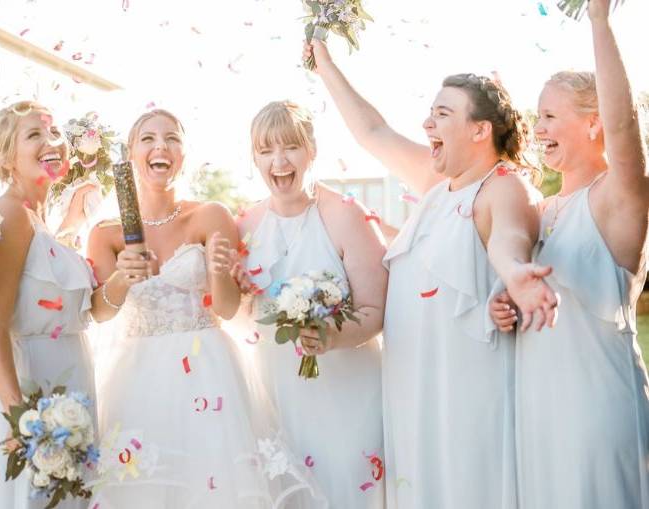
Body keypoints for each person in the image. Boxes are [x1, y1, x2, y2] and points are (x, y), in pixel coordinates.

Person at [304, 40, 558, 508]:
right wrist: (326, 67)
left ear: (480, 130)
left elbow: (508, 240)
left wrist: (518, 273)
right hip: (413, 386)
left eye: (442, 114)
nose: (427, 124)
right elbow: (373, 131)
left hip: (462, 389)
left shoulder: (503, 186)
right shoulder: (439, 184)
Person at [87, 109, 326, 508]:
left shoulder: (210, 215)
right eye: (148, 139)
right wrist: (119, 279)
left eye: (172, 138)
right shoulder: (106, 233)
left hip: (207, 370)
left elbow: (229, 309)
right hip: (136, 378)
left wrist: (217, 271)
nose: (161, 146)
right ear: (130, 154)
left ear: (183, 154)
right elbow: (99, 312)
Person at [490, 2, 649, 506]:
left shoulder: (618, 197)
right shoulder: (539, 211)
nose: (537, 130)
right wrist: (505, 307)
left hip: (596, 412)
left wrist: (599, 21)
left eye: (551, 117)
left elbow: (627, 133)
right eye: (537, 117)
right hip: (538, 412)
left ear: (594, 124)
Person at [234, 100, 387, 508]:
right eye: (266, 151)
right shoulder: (244, 225)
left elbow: (375, 311)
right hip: (277, 392)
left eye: (290, 148)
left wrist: (330, 336)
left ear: (311, 150)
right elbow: (236, 310)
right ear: (254, 158)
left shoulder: (345, 215)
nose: (279, 161)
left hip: (347, 391)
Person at [0, 101, 97, 509]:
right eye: (35, 135)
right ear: (7, 157)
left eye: (55, 132)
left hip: (66, 384)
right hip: (30, 390)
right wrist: (23, 422)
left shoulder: (39, 218)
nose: (52, 143)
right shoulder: (8, 215)